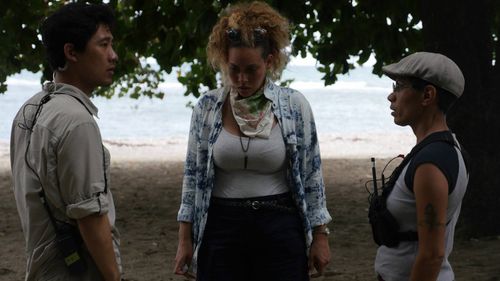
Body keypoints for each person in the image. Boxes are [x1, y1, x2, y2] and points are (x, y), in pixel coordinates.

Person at [173, 2, 332, 280]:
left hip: (279, 225)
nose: (242, 79)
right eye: (234, 69)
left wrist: (320, 237)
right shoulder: (208, 106)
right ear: (224, 59)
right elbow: (193, 176)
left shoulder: (293, 105)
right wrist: (184, 240)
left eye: (252, 69)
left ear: (269, 61)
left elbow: (312, 176)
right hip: (220, 227)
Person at [10, 3, 121, 280]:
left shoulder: (29, 109)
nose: (113, 56)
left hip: (40, 267)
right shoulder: (77, 122)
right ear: (71, 52)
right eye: (103, 45)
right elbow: (91, 218)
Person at [374, 52, 469, 281]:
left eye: (399, 86)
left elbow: (432, 255)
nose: (391, 96)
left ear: (427, 95)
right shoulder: (450, 148)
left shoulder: (431, 163)